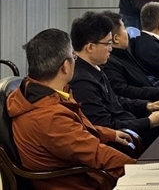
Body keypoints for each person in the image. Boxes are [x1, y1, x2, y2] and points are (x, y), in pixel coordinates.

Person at [6, 28, 135, 190]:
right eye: (73, 56)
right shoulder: (49, 116)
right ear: (66, 66)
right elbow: (96, 154)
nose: (76, 60)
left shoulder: (38, 91)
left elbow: (75, 132)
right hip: (80, 184)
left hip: (82, 174)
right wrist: (140, 169)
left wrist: (110, 133)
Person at [69, 12, 159, 147]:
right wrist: (148, 122)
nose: (110, 49)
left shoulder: (95, 68)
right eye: (107, 44)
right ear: (90, 47)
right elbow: (106, 126)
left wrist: (147, 105)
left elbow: (115, 101)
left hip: (131, 125)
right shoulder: (82, 83)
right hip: (124, 140)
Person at [102, 11, 159, 103]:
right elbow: (123, 91)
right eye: (124, 28)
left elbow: (143, 78)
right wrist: (157, 93)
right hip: (147, 104)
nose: (127, 33)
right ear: (116, 39)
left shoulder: (124, 53)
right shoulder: (110, 62)